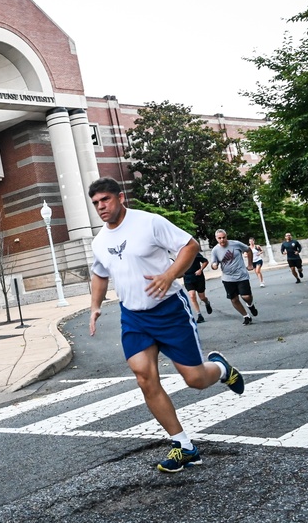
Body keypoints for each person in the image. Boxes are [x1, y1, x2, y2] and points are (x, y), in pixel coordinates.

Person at [87, 177, 245, 474]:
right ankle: (184, 446)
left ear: (120, 197)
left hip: (170, 310)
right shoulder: (99, 241)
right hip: (133, 316)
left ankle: (222, 369)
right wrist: (95, 306)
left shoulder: (149, 223)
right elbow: (99, 274)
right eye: (95, 203)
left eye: (105, 200)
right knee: (144, 376)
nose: (101, 207)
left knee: (195, 380)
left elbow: (190, 245)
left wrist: (170, 274)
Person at [210, 229, 259, 326]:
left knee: (246, 296)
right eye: (219, 238)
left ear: (226, 236)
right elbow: (213, 263)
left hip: (241, 275)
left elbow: (248, 250)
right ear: (216, 238)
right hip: (227, 278)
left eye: (223, 237)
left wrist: (250, 264)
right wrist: (214, 265)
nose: (222, 240)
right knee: (234, 299)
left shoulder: (236, 244)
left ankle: (250, 305)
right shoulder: (215, 250)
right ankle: (246, 316)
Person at [182, 250, 213, 323]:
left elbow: (205, 261)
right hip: (187, 278)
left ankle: (206, 303)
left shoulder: (194, 253)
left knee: (202, 297)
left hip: (198, 277)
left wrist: (200, 269)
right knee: (192, 296)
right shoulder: (179, 255)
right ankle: (199, 315)